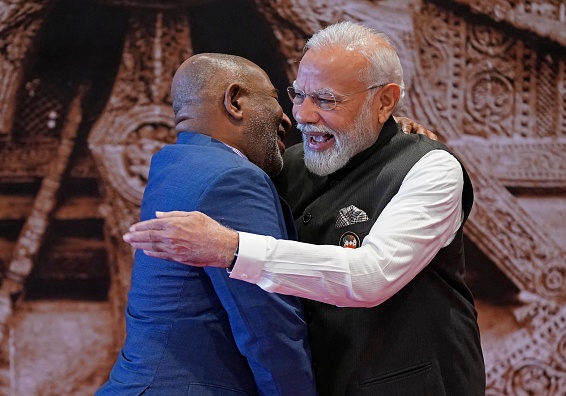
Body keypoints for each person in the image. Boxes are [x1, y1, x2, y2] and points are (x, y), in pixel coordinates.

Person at [125, 21, 486, 396]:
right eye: (298, 95)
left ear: (384, 102)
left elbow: (371, 275)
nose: (301, 115)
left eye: (326, 100)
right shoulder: (288, 165)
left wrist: (230, 248)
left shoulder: (431, 169)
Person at [97, 53, 317, 395]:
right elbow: (266, 324)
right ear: (235, 101)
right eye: (275, 99)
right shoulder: (233, 178)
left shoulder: (177, 167)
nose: (287, 119)